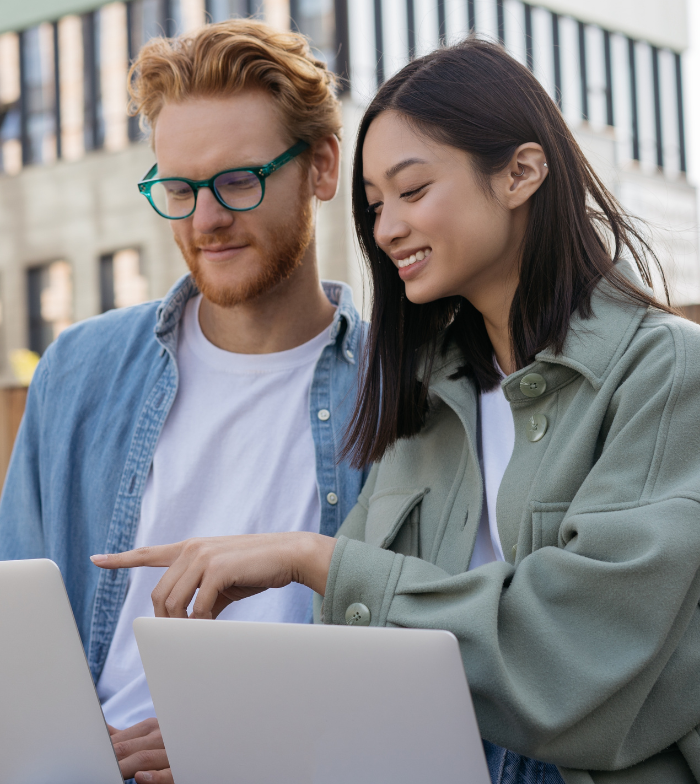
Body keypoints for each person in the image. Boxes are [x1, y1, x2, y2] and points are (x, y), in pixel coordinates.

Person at [93, 38, 700, 784]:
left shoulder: (666, 370)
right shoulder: (429, 394)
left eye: (412, 193)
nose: (384, 230)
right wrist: (235, 733)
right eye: (376, 205)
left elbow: (578, 658)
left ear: (521, 173)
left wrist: (310, 557)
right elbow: (361, 659)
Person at [0, 18, 369, 784]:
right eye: (178, 188)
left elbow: (433, 647)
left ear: (323, 167)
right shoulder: (80, 369)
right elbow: (16, 623)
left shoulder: (404, 388)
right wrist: (64, 742)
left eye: (239, 180)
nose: (205, 220)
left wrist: (245, 739)